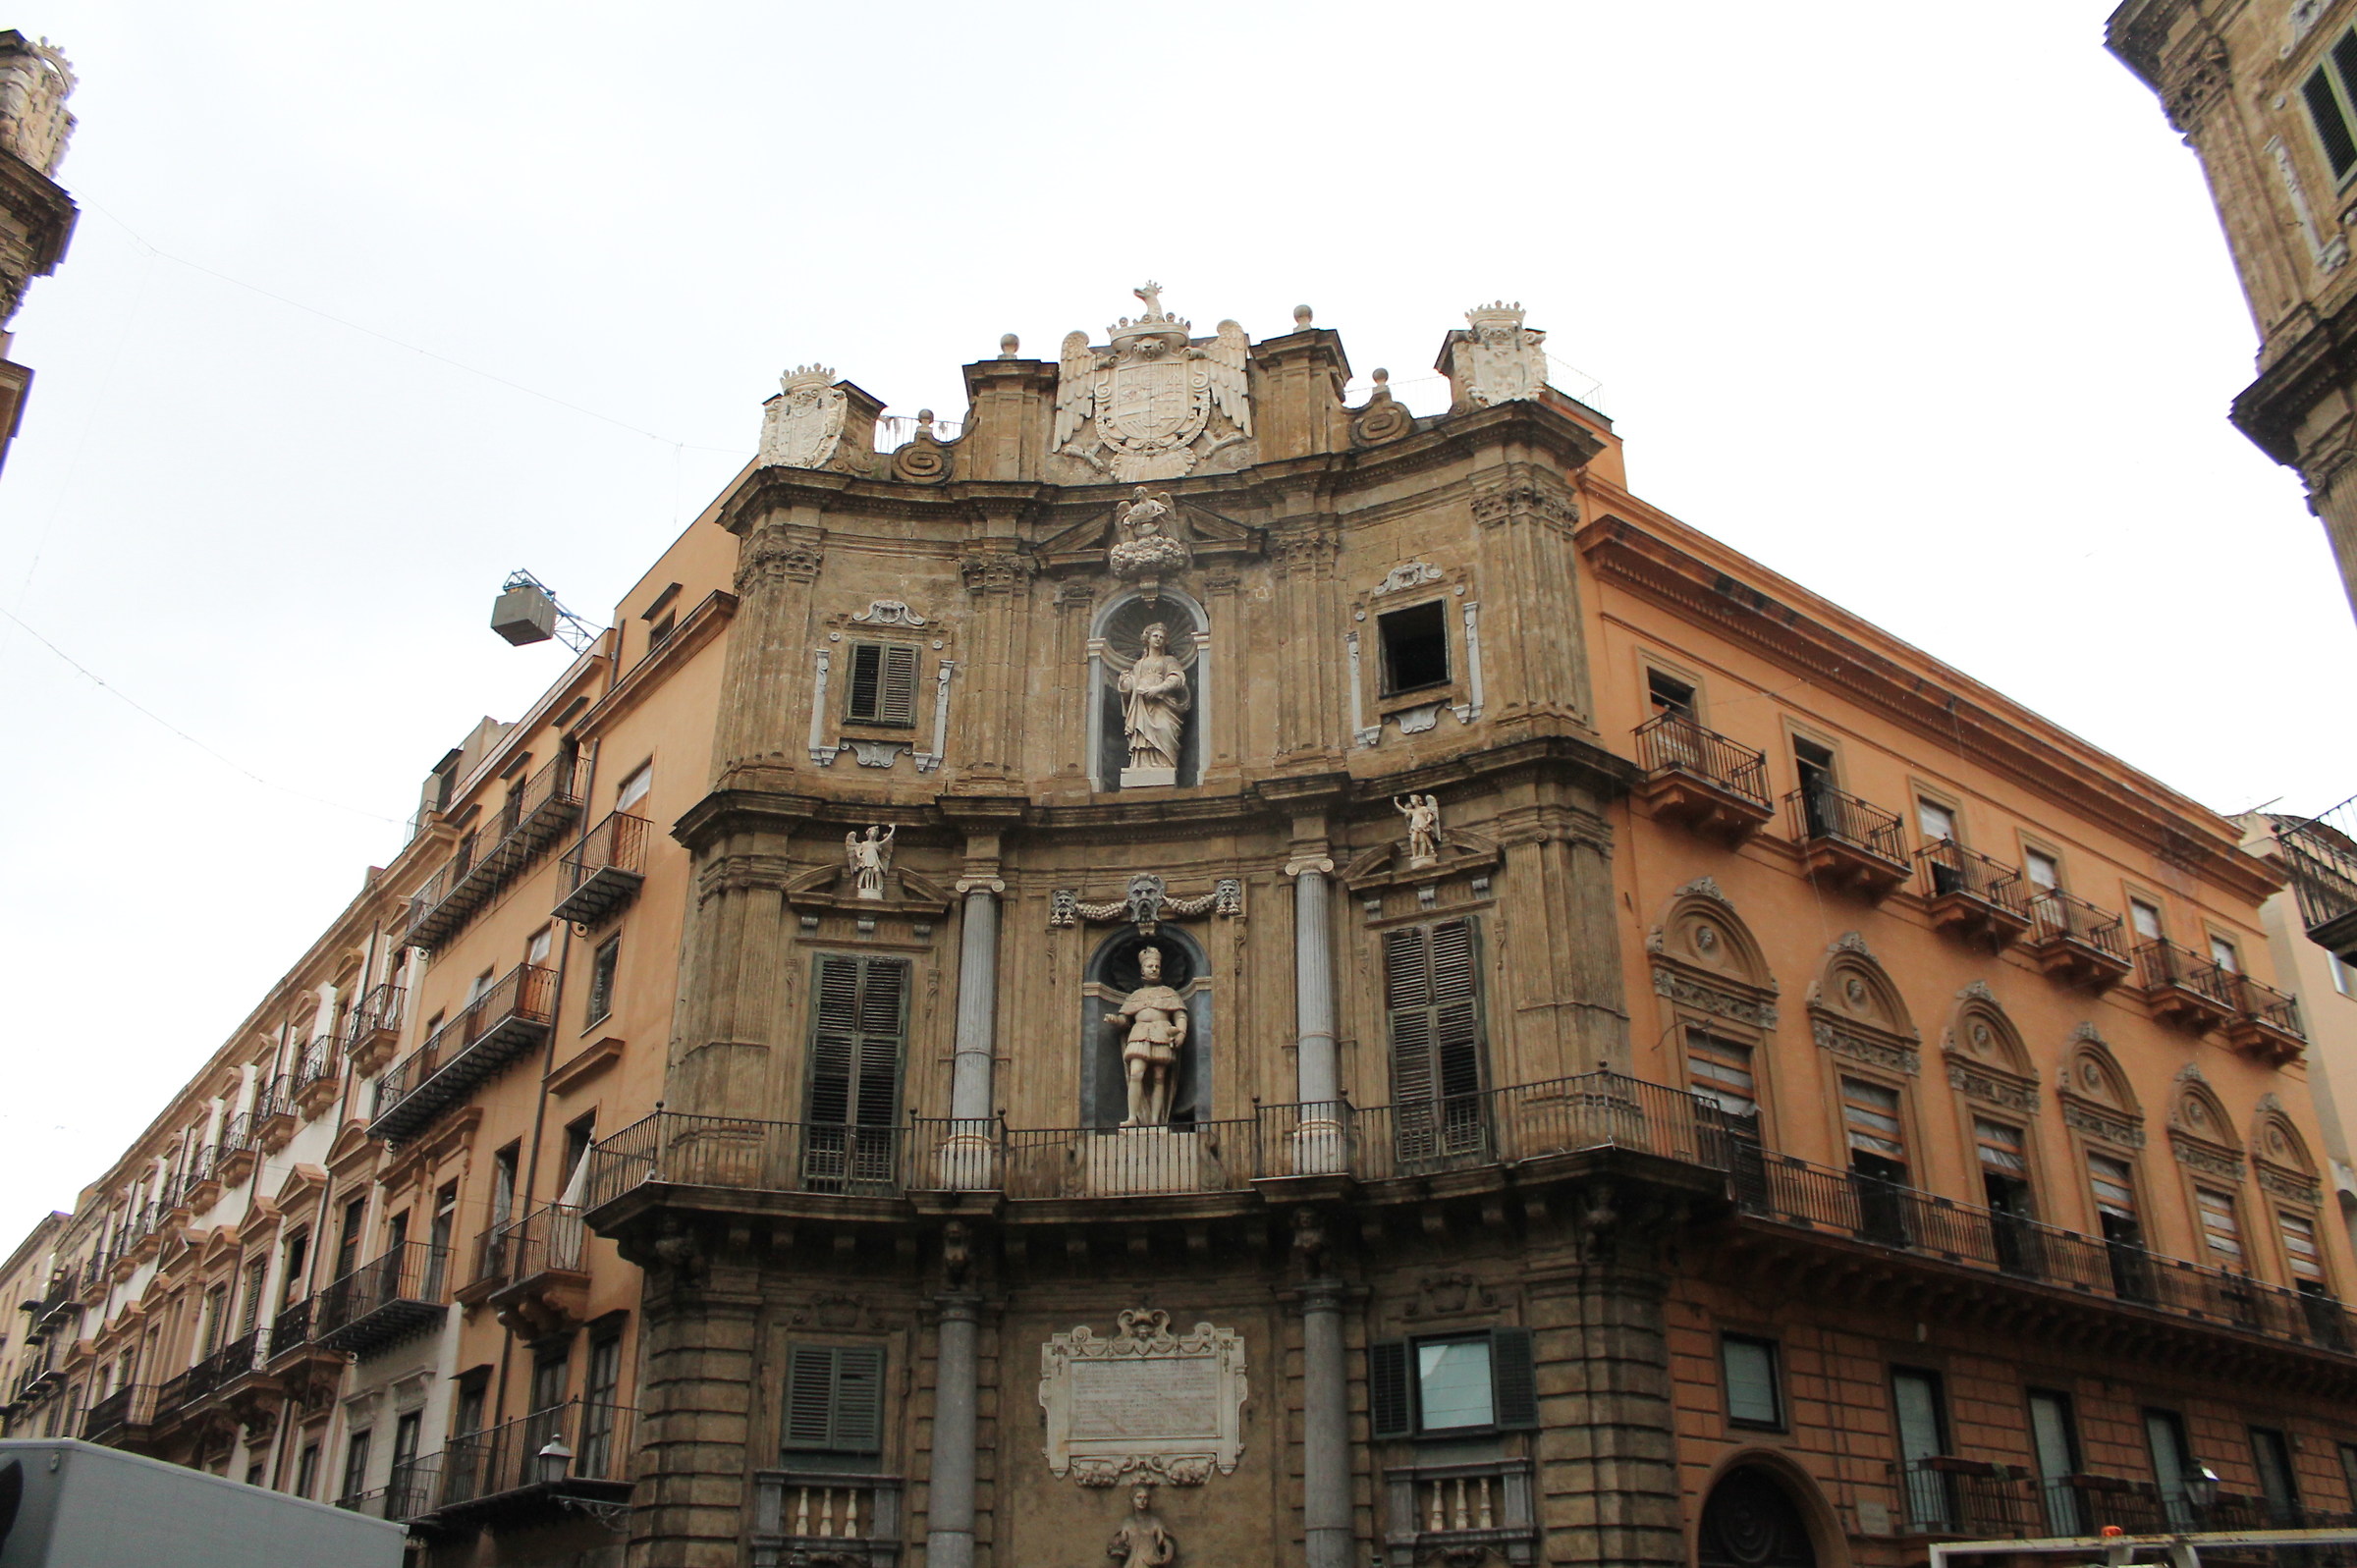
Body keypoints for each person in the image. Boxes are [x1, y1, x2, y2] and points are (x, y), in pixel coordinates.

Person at [1105, 946, 1187, 1127]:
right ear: (1142, 970)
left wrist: (1181, 1032)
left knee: (1159, 1077)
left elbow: (1180, 1015)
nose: (1154, 969)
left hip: (1162, 1033)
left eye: (1157, 966)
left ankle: (1156, 1120)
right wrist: (1115, 1020)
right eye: (1150, 966)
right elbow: (1125, 1021)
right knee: (1136, 1073)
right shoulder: (1135, 996)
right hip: (1139, 1034)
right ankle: (1132, 1117)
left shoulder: (1169, 993)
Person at [1118, 622, 1189, 776]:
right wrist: (1124, 683)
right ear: (1148, 639)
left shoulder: (1169, 660)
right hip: (1142, 704)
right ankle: (1142, 765)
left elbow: (1177, 678)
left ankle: (1164, 763)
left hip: (1162, 703)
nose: (1158, 639)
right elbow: (1132, 684)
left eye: (1161, 637)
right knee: (1142, 735)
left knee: (1164, 729)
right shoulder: (1139, 664)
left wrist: (1158, 689)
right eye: (1155, 636)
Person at [1107, 1485, 1177, 1568]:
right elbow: (1121, 1541)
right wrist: (1117, 1543)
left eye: (1145, 1498)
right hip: (1133, 1563)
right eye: (1139, 1498)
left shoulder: (1155, 1522)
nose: (1142, 1501)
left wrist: (1168, 1553)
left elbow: (1165, 1541)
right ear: (1132, 1500)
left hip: (1151, 1561)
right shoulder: (1127, 1523)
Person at [845, 824, 895, 899]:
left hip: (874, 858)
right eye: (872, 831)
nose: (873, 833)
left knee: (876, 871)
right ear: (868, 833)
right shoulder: (864, 844)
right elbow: (857, 850)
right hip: (866, 858)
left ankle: (878, 888)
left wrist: (893, 829)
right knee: (867, 871)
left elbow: (887, 839)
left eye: (875, 832)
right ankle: (867, 886)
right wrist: (859, 856)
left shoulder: (876, 844)